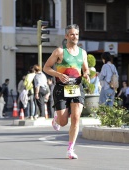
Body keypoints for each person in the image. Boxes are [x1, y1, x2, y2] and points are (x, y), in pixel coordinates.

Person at [43, 24, 90, 159]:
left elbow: (85, 69)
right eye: (71, 34)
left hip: (77, 88)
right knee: (64, 122)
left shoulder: (83, 53)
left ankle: (70, 149)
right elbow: (46, 67)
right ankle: (57, 119)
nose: (74, 36)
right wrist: (58, 74)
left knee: (75, 118)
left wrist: (86, 74)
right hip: (61, 89)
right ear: (66, 36)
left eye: (76, 34)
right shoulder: (59, 52)